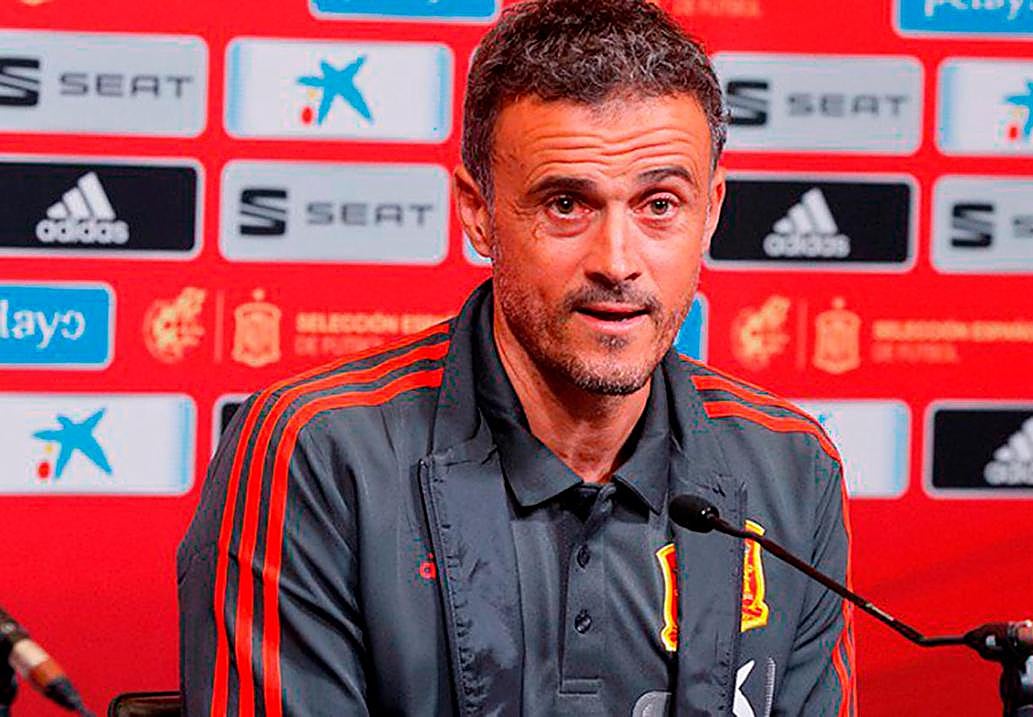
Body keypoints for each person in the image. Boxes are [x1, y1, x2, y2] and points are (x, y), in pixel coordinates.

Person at [177, 0, 855, 714]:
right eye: (566, 204)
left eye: (659, 204)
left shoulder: (791, 467)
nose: (617, 261)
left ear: (710, 211)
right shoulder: (318, 452)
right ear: (478, 211)